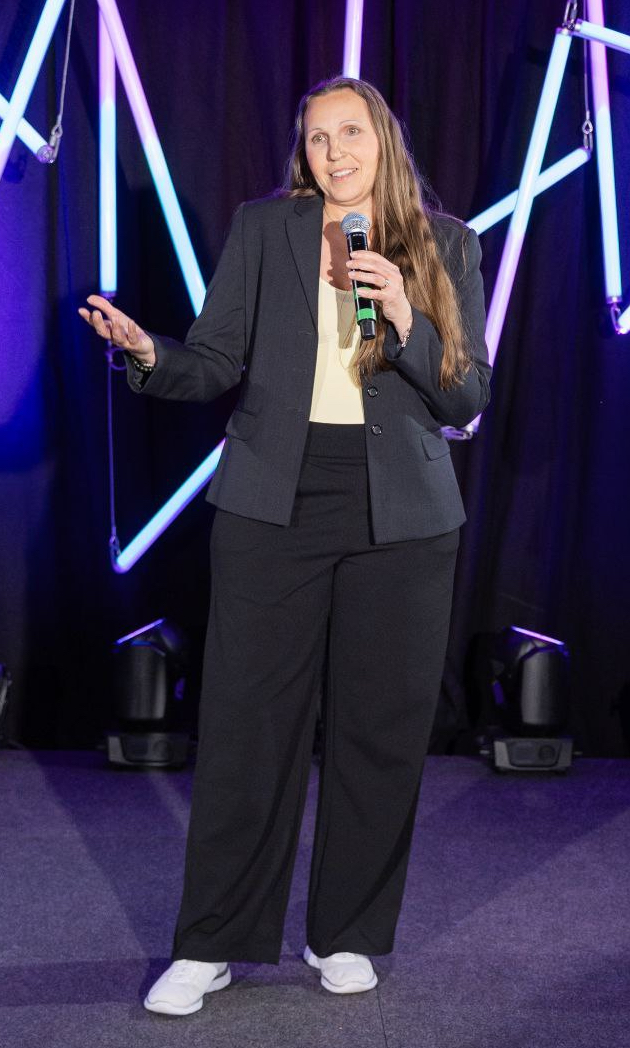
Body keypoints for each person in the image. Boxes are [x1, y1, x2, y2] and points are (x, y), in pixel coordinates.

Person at [79, 75, 491, 1016]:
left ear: (383, 138)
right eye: (315, 138)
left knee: (378, 732)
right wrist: (150, 353)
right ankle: (210, 944)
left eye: (350, 133)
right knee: (245, 726)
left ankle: (346, 933)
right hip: (275, 503)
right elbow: (216, 359)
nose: (334, 152)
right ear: (301, 153)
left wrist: (405, 316)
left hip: (405, 517)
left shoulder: (445, 243)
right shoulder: (265, 233)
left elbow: (466, 397)